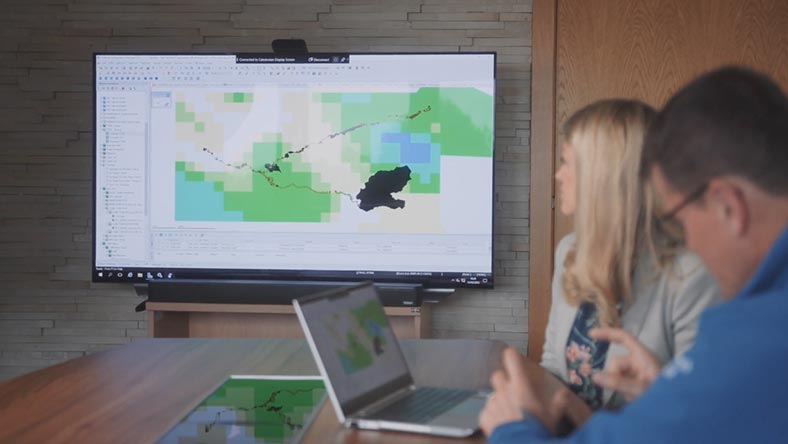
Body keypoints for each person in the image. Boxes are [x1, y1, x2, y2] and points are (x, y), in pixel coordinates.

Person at [479, 66, 788, 443]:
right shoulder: (569, 252)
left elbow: (692, 421)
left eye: (682, 216)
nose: (558, 175)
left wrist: (514, 430)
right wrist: (657, 395)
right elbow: (692, 416)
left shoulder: (748, 321)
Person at [543, 100, 719, 413]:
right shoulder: (569, 251)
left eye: (566, 162)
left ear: (603, 177)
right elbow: (554, 366)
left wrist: (659, 395)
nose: (558, 175)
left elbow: (704, 412)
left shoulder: (691, 274)